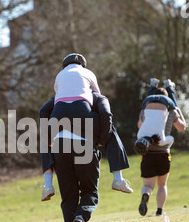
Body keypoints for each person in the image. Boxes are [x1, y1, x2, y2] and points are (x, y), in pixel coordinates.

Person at [39, 53, 132, 201]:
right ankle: (118, 179)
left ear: (64, 65)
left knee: (44, 143)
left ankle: (47, 185)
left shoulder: (60, 75)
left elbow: (46, 108)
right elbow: (97, 96)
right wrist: (103, 135)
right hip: (82, 111)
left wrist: (47, 137)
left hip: (58, 114)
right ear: (83, 64)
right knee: (110, 127)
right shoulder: (87, 73)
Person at [137, 78, 186, 216]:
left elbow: (139, 126)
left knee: (148, 185)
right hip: (163, 153)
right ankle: (159, 211)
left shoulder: (146, 111)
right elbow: (182, 128)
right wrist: (178, 110)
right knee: (162, 185)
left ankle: (146, 195)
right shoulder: (171, 112)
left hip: (147, 152)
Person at [51, 124, 101, 222]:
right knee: (90, 191)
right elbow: (105, 116)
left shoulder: (55, 103)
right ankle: (80, 217)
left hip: (60, 144)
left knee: (68, 196)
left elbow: (43, 113)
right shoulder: (93, 102)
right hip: (84, 142)